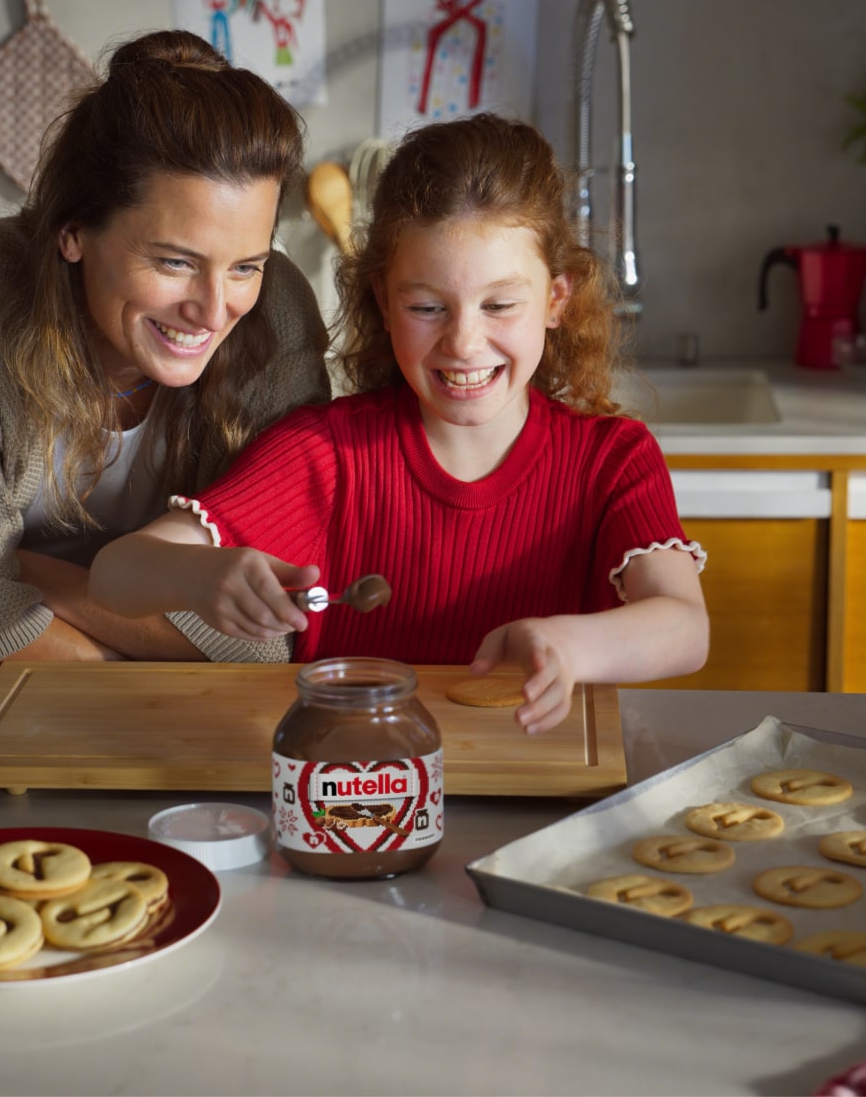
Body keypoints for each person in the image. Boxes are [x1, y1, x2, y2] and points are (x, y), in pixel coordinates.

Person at [84, 113, 709, 733]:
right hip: (356, 787)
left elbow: (684, 628)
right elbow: (118, 572)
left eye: (499, 304)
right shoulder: (325, 454)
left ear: (556, 298)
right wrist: (201, 575)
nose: (463, 342)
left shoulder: (612, 459)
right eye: (427, 306)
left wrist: (570, 647)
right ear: (383, 302)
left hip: (546, 789)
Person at [0, 30, 331, 690]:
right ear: (74, 232)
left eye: (245, 266)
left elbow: (267, 644)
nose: (212, 309)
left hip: (193, 734)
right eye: (175, 262)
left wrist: (28, 573)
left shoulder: (278, 308)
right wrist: (160, 644)